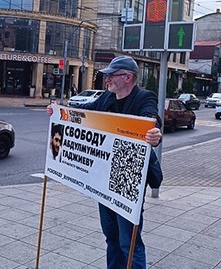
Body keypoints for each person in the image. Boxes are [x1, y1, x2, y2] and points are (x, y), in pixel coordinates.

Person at [47, 55, 163, 269]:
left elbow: (151, 119)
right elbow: (82, 113)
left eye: (111, 75)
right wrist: (58, 112)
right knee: (111, 237)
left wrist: (154, 132)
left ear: (128, 77)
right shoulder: (105, 99)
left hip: (129, 180)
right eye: (107, 76)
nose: (107, 79)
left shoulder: (145, 97)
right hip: (104, 179)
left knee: (130, 242)